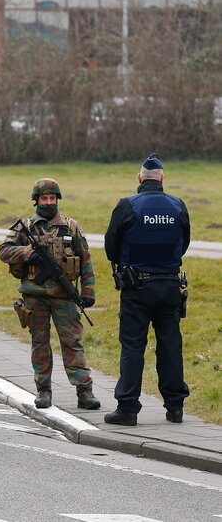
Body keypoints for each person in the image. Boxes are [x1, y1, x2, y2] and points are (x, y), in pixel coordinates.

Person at [0, 178, 101, 410]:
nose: (48, 202)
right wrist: (27, 253)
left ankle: (84, 390)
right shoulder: (25, 228)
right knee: (40, 343)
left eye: (52, 198)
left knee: (72, 343)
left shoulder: (71, 227)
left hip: (64, 296)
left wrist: (88, 292)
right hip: (34, 296)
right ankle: (43, 390)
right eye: (44, 199)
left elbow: (85, 260)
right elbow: (4, 250)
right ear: (36, 201)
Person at [103, 154, 190, 426]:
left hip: (136, 287)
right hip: (170, 285)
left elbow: (110, 246)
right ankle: (175, 408)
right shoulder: (178, 205)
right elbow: (184, 242)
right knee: (170, 347)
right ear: (162, 178)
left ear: (139, 178)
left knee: (132, 347)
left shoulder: (127, 205)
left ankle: (127, 409)